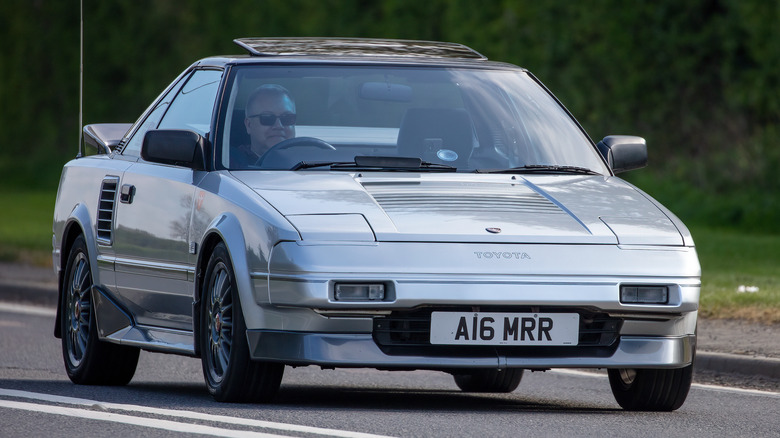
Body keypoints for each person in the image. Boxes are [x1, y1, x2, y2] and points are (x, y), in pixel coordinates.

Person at [232, 84, 296, 167]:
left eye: (287, 118)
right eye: (267, 118)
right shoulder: (231, 164)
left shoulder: (308, 163)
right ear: (249, 125)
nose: (279, 126)